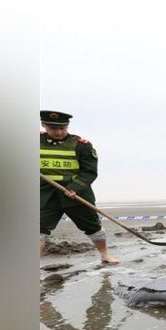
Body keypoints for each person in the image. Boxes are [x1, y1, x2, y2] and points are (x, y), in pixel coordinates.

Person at [39, 110, 118, 264]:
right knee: (38, 230)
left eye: (63, 128)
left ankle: (105, 255)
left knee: (93, 227)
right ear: (44, 126)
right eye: (54, 128)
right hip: (45, 195)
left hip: (76, 194)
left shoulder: (81, 145)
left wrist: (75, 187)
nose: (59, 132)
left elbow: (89, 171)